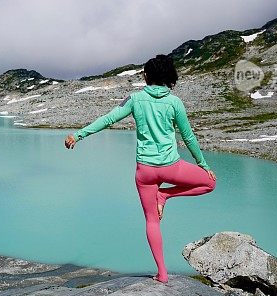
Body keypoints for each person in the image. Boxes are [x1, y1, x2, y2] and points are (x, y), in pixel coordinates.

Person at [64, 54, 216, 284]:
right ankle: (166, 194)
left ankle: (162, 273)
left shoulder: (135, 99)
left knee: (151, 221)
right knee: (209, 183)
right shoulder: (174, 102)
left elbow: (108, 119)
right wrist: (203, 164)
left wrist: (78, 135)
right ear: (169, 76)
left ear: (148, 75)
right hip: (171, 167)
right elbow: (188, 137)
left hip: (145, 172)